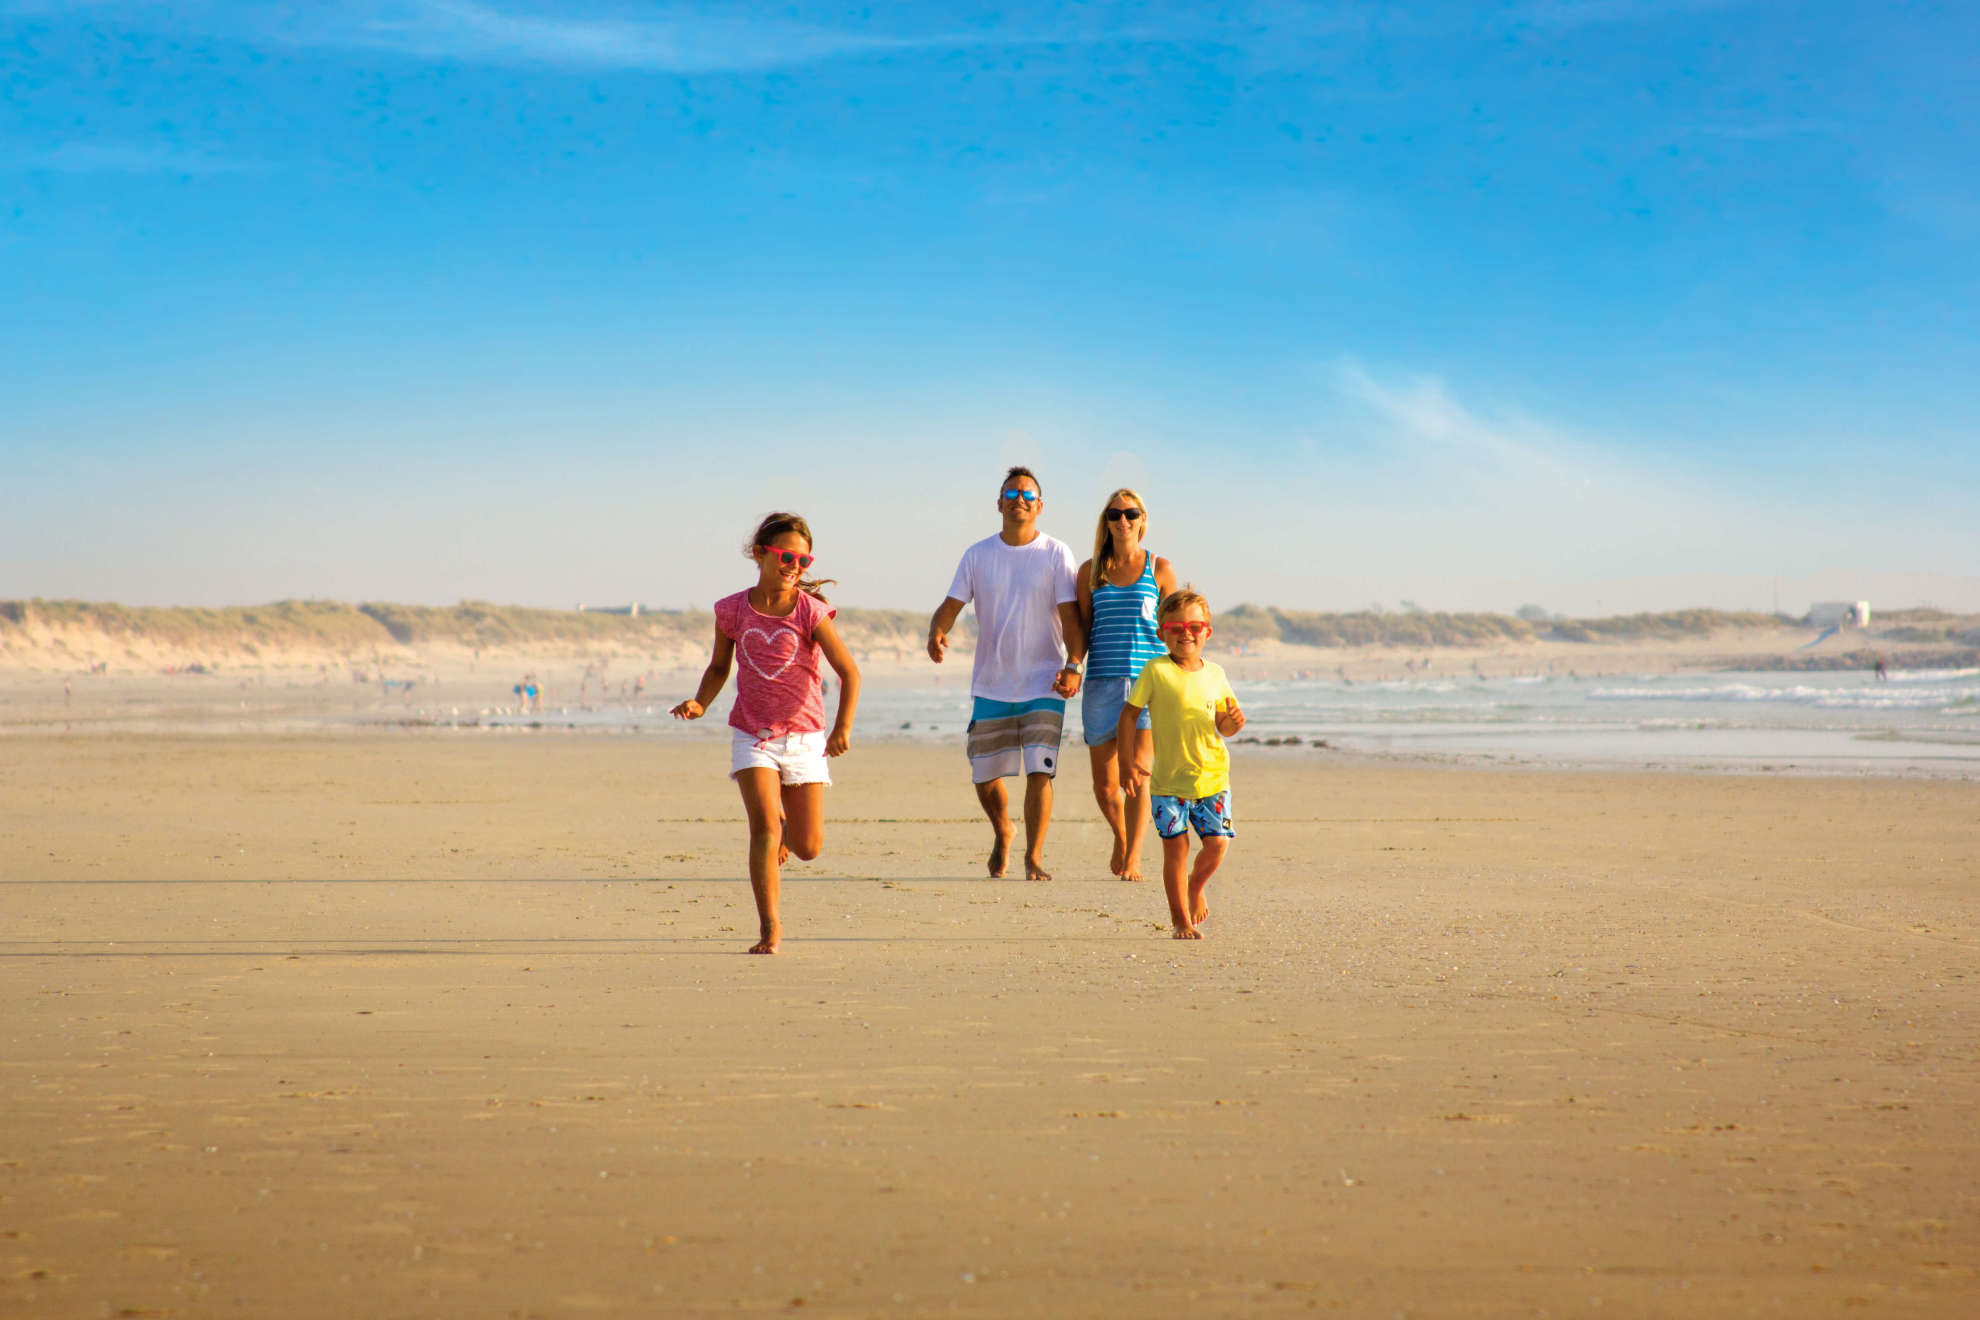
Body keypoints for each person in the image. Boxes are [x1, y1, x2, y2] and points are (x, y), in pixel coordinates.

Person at [672, 512, 861, 954]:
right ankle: (770, 928)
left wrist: (842, 728)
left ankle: (784, 825)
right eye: (785, 556)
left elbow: (850, 673)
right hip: (752, 734)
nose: (795, 565)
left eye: (803, 559)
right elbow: (719, 667)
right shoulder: (732, 610)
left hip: (805, 737)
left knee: (808, 846)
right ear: (760, 554)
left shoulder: (811, 612)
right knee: (762, 831)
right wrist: (700, 702)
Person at [927, 466, 1085, 881]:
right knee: (985, 774)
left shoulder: (1055, 553)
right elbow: (951, 605)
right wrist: (936, 631)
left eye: (1028, 495)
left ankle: (1034, 857)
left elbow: (1071, 618)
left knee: (1040, 769)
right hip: (993, 682)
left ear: (1040, 506)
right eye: (1012, 494)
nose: (1020, 500)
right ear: (999, 503)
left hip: (1044, 681)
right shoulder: (978, 555)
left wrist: (1073, 665)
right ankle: (1003, 829)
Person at [1118, 588, 1245, 939]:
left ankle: (1195, 886)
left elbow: (1224, 726)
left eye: (1194, 626)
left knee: (1217, 844)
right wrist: (1126, 764)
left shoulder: (1216, 673)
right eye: (1175, 628)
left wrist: (1235, 721)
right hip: (1167, 783)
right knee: (1176, 849)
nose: (1185, 633)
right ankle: (1180, 920)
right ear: (1162, 634)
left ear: (1207, 631)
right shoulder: (1156, 670)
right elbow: (1128, 717)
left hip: (1213, 778)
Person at [1073, 488, 1176, 883]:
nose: (1123, 521)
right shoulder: (1090, 571)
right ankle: (1119, 835)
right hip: (1101, 681)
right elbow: (1083, 627)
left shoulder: (1159, 568)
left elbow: (1173, 624)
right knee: (1105, 784)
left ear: (1143, 520)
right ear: (1106, 521)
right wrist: (1072, 666)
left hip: (1147, 682)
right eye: (1115, 514)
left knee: (1138, 773)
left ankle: (1133, 857)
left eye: (1131, 514)